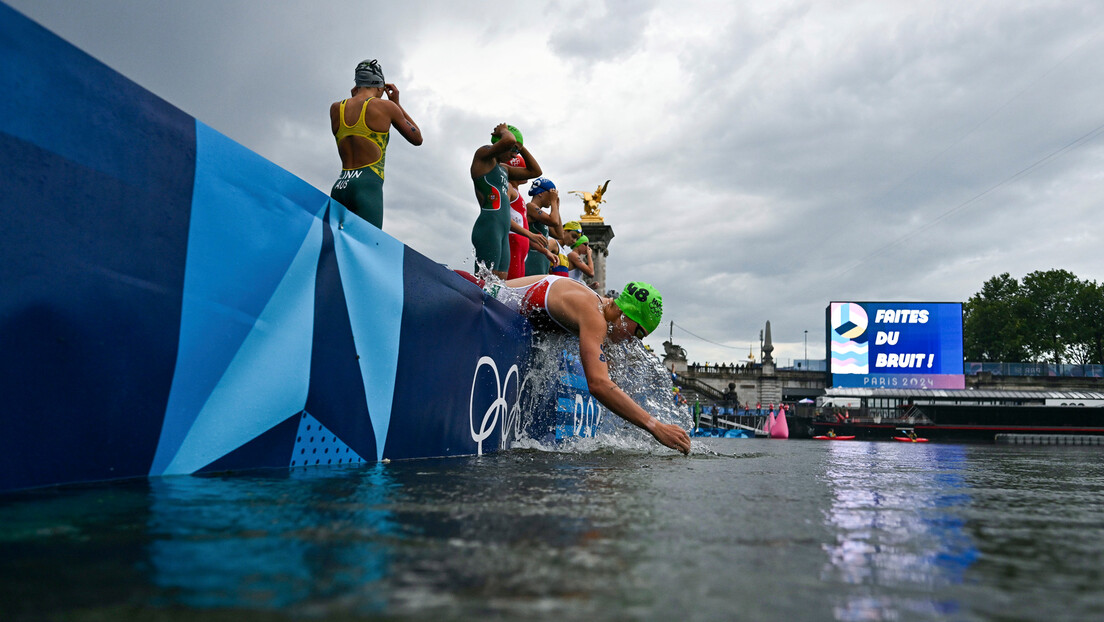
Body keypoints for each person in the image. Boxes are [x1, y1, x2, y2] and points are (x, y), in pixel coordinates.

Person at [474, 274, 690, 454]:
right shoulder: (593, 315)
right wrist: (656, 427)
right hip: (472, 301)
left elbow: (613, 383)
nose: (633, 342)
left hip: (485, 308)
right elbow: (598, 384)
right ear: (626, 314)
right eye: (638, 333)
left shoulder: (601, 313)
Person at [329, 59, 422, 229]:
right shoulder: (386, 107)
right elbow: (417, 138)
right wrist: (396, 104)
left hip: (340, 186)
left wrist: (356, 97)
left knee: (331, 251)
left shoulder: (336, 108)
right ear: (379, 86)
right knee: (367, 249)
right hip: (366, 187)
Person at [470, 124, 541, 278]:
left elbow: (535, 171)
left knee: (500, 284)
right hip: (489, 226)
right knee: (485, 281)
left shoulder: (504, 169)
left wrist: (521, 146)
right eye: (514, 149)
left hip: (502, 229)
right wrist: (503, 131)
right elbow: (508, 139)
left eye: (518, 151)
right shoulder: (482, 156)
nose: (515, 155)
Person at [525, 177, 564, 276]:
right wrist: (554, 203)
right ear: (540, 193)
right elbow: (554, 221)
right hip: (531, 261)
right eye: (551, 194)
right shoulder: (530, 207)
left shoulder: (543, 217)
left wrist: (557, 207)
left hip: (541, 263)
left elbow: (559, 234)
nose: (553, 197)